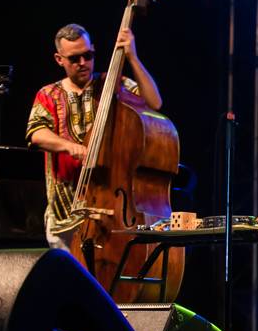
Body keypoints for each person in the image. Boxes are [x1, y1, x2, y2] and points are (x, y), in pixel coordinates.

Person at [26, 23, 162, 250]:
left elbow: (154, 102)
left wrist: (133, 57)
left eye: (88, 55)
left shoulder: (113, 85)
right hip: (64, 212)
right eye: (74, 58)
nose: (83, 63)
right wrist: (71, 147)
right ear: (59, 59)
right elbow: (36, 134)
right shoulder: (48, 94)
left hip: (109, 205)